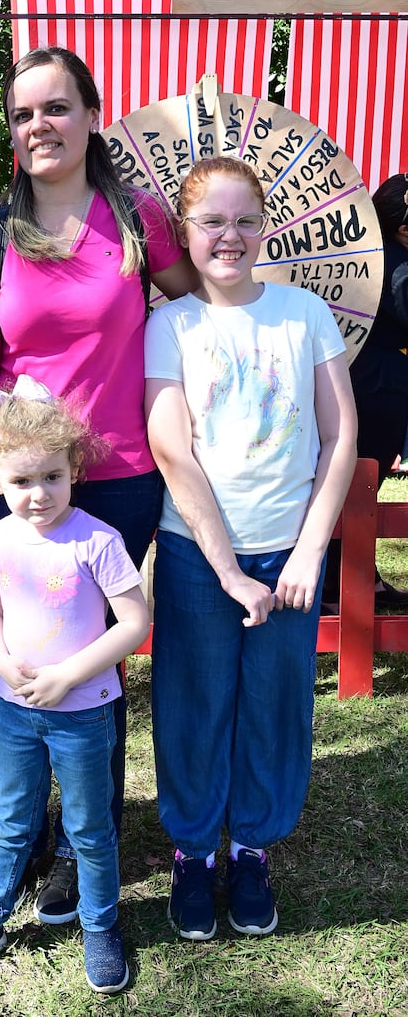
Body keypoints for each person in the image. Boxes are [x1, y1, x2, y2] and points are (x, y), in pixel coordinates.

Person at [0, 45, 195, 925]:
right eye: (21, 115)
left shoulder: (140, 221)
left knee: (91, 669)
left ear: (91, 116)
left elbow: (203, 309)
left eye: (55, 108)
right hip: (14, 484)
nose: (38, 127)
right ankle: (15, 833)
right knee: (16, 658)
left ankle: (80, 845)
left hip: (120, 482)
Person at [144, 157, 357, 941]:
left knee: (275, 703)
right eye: (211, 222)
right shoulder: (168, 326)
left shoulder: (305, 314)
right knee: (194, 704)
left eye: (244, 221)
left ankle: (252, 845)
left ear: (266, 226)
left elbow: (340, 437)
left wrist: (308, 552)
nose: (228, 237)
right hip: (201, 558)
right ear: (186, 233)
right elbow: (173, 450)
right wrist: (227, 569)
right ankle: (196, 850)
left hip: (288, 555)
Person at [0, 381, 150, 992]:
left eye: (52, 477)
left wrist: (69, 676)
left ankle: (100, 925)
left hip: (84, 712)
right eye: (21, 482)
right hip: (17, 712)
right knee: (10, 819)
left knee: (90, 828)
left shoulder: (97, 541)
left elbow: (135, 621)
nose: (38, 494)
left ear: (75, 468)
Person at [322, 171, 408, 611]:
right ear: (404, 225)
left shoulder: (380, 257)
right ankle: (344, 584)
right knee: (362, 485)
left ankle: (360, 578)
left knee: (362, 484)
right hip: (379, 387)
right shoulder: (398, 265)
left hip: (374, 382)